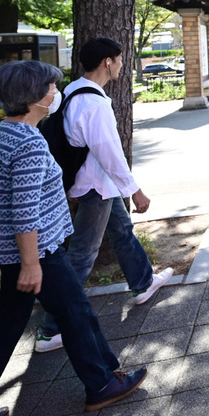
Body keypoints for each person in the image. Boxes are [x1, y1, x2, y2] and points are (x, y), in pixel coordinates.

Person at [0, 61, 146, 416]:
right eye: (50, 85)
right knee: (76, 313)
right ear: (34, 97)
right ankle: (101, 384)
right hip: (38, 253)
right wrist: (31, 264)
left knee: (8, 327)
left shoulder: (7, 133)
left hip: (18, 254)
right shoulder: (27, 142)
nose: (55, 90)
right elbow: (23, 209)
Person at [35, 37, 173, 353]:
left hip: (93, 184)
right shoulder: (94, 104)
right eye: (120, 59)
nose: (122, 64)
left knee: (122, 232)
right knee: (83, 253)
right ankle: (51, 329)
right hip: (95, 185)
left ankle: (143, 282)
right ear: (107, 62)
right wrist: (136, 191)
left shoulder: (71, 90)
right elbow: (108, 153)